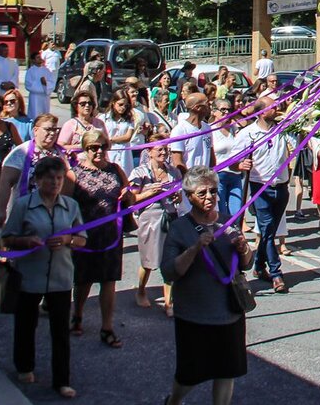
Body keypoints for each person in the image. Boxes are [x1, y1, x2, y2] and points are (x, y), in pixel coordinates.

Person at [161, 166, 253, 405]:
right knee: (190, 375)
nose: (209, 197)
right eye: (202, 193)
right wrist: (194, 249)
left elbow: (245, 264)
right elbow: (170, 271)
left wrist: (244, 249)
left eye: (213, 191)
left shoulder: (228, 222)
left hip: (228, 312)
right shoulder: (180, 228)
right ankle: (174, 401)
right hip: (194, 315)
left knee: (226, 371)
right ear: (189, 196)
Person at [1, 155, 85, 399]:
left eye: (59, 178)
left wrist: (69, 239)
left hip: (61, 276)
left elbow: (82, 239)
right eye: (50, 178)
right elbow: (7, 238)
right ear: (37, 180)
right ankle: (24, 365)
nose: (55, 183)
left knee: (60, 331)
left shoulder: (71, 206)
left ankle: (62, 381)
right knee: (26, 325)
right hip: (30, 275)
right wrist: (26, 240)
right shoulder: (23, 205)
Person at [70, 129, 131, 347]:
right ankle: (77, 314)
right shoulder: (74, 173)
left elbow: (129, 195)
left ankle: (107, 327)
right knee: (83, 279)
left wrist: (127, 195)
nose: (98, 151)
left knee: (108, 281)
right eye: (92, 148)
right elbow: (66, 204)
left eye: (102, 147)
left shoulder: (115, 169)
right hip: (84, 234)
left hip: (110, 234)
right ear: (85, 149)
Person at [239, 97, 291, 292]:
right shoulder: (248, 134)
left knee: (269, 231)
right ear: (261, 112)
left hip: (282, 186)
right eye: (272, 107)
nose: (276, 108)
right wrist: (240, 164)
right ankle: (276, 273)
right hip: (260, 187)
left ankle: (259, 265)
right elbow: (235, 159)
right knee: (268, 228)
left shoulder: (282, 128)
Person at [129, 139, 182, 314]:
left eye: (166, 149)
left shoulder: (173, 172)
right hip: (149, 219)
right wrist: (150, 192)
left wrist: (177, 197)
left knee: (170, 258)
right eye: (159, 150)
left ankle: (169, 302)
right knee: (149, 260)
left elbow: (180, 196)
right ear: (149, 152)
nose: (163, 153)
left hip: (170, 217)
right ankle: (141, 290)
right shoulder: (140, 172)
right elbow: (132, 199)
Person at [0, 114, 73, 226]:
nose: (52, 133)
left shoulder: (62, 154)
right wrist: (1, 209)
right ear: (35, 130)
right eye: (48, 129)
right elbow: (6, 181)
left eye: (55, 130)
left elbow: (70, 181)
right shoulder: (21, 152)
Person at [211, 100, 252, 219]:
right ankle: (224, 236)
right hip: (219, 176)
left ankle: (235, 235)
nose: (226, 112)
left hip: (235, 175)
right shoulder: (210, 130)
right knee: (222, 213)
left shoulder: (234, 129)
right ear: (214, 112)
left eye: (229, 109)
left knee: (236, 212)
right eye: (222, 110)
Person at [169, 93, 215, 176]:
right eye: (207, 103)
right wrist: (191, 180)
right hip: (191, 182)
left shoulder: (207, 128)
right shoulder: (180, 130)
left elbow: (211, 156)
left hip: (206, 180)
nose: (210, 106)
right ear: (197, 107)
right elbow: (177, 162)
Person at [103, 89, 138, 175]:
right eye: (120, 104)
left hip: (124, 155)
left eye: (125, 105)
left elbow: (128, 137)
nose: (123, 108)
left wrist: (111, 139)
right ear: (113, 103)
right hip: (109, 153)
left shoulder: (129, 119)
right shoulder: (104, 118)